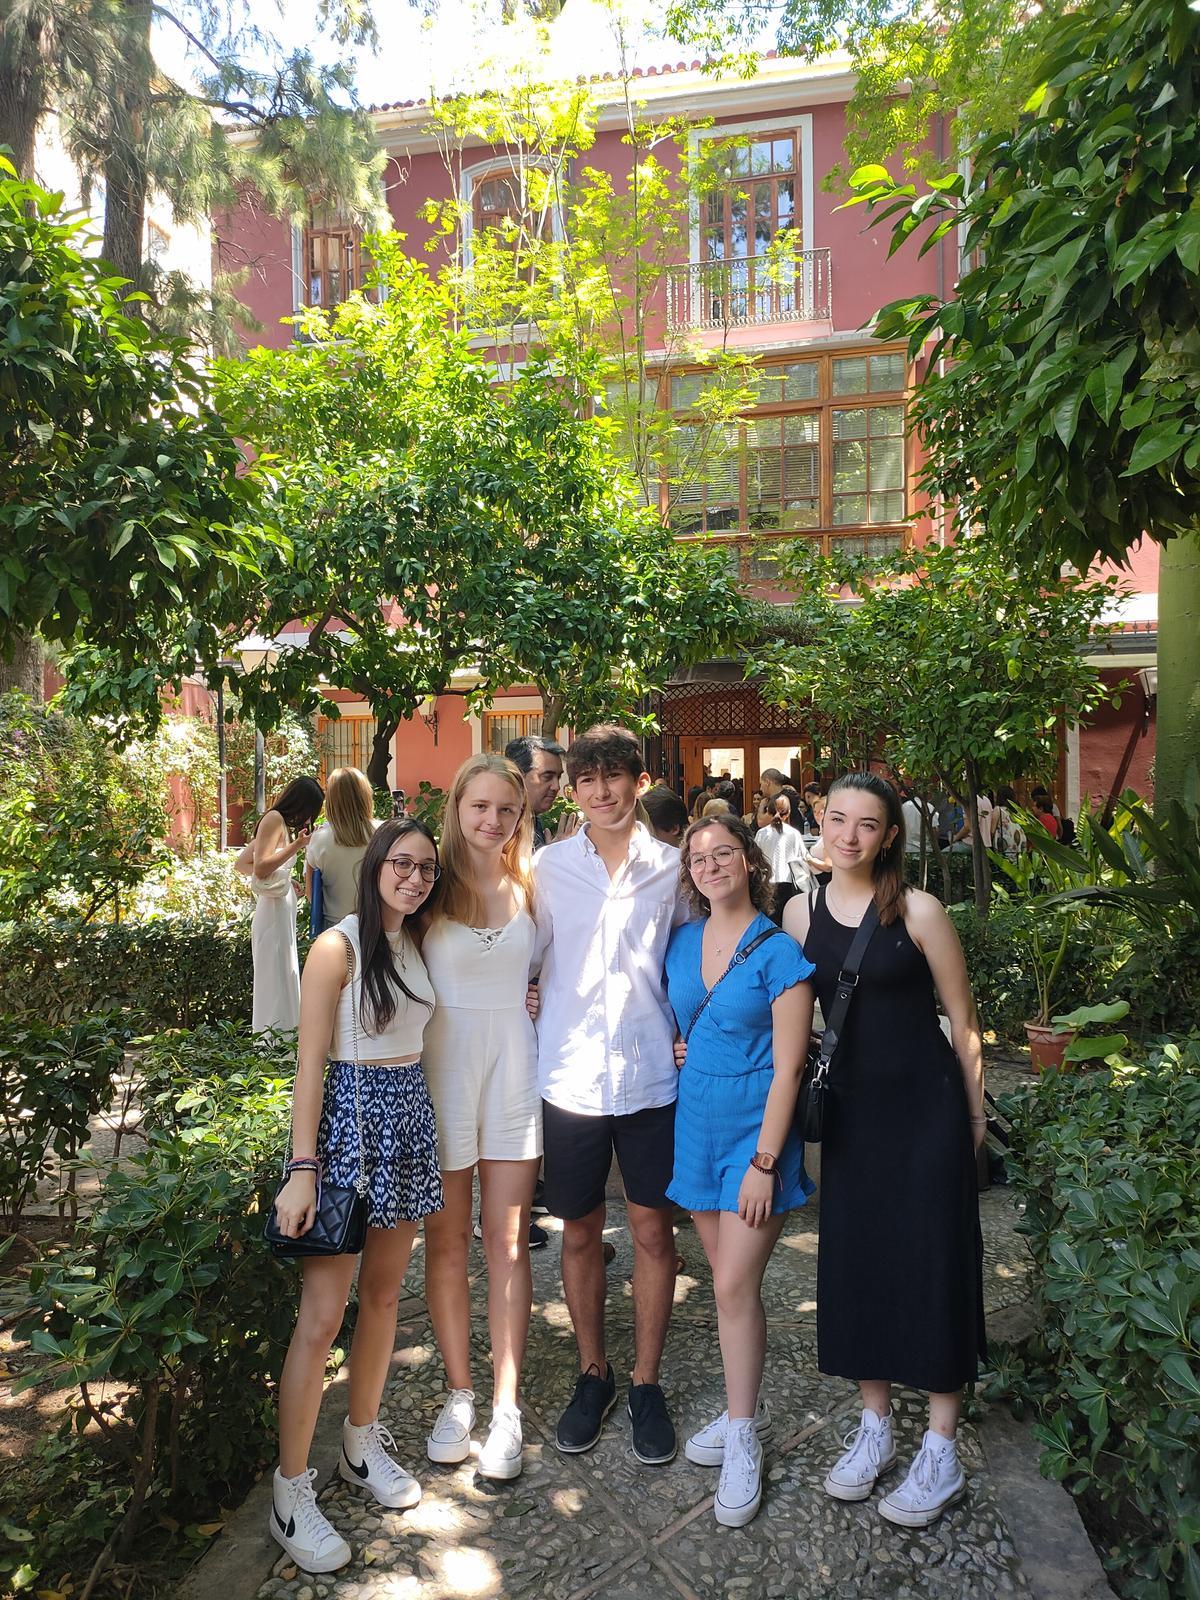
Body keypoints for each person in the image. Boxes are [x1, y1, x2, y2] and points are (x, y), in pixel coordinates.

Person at [782, 772, 986, 1529]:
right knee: (859, 1263)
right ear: (821, 821)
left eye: (867, 825)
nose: (849, 835)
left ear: (889, 835)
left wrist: (970, 1127)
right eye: (837, 819)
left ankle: (940, 1444)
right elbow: (790, 1017)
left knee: (933, 1263)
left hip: (927, 1116)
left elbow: (964, 1025)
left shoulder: (920, 911)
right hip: (853, 1121)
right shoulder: (799, 912)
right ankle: (874, 1424)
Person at [268, 820, 444, 1573]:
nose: (412, 877)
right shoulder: (335, 947)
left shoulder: (417, 942)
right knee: (320, 1317)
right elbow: (310, 1064)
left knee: (381, 1302)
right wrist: (302, 1165)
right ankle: (289, 1492)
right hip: (347, 1127)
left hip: (406, 1120)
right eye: (400, 863)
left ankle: (361, 1446)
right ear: (375, 867)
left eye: (426, 869)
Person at [532, 725, 690, 1464]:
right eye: (585, 780)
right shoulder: (548, 867)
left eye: (613, 777)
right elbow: (526, 956)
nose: (600, 792)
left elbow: (693, 960)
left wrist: (700, 1029)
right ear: (573, 789)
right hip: (568, 1078)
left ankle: (647, 1381)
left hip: (653, 1076)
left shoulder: (674, 869)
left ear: (637, 778)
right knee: (580, 1231)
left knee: (656, 1233)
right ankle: (592, 1372)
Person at [665, 815, 815, 1527]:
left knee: (731, 1284)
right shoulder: (684, 941)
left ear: (749, 862)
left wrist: (765, 1162)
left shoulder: (781, 951)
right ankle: (735, 1415)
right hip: (695, 1124)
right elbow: (678, 1018)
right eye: (698, 856)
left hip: (757, 1137)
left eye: (723, 852)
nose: (710, 864)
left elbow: (792, 1066)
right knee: (729, 1295)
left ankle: (745, 1435)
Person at [419, 755, 542, 1480]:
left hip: (515, 1072)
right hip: (443, 1071)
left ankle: (507, 1406)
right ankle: (459, 1393)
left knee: (509, 1243)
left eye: (506, 808)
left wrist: (536, 996)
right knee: (446, 1245)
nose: (492, 820)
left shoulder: (533, 882)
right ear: (457, 808)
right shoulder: (427, 882)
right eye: (479, 806)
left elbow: (554, 966)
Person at [237, 775, 324, 1033]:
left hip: (279, 907)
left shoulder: (280, 823)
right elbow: (260, 868)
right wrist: (297, 845)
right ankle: (272, 1042)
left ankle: (283, 1041)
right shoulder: (274, 819)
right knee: (274, 979)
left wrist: (286, 879)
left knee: (284, 974)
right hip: (272, 911)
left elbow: (244, 863)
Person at [305, 767, 379, 931]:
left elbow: (311, 894)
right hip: (377, 924)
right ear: (366, 794)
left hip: (335, 929)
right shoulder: (385, 832)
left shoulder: (319, 838)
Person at [505, 735, 567, 850]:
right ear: (517, 775)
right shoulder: (501, 827)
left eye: (558, 777)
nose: (556, 786)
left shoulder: (532, 819)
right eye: (547, 777)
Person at [755, 793, 808, 922]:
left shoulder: (762, 833)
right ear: (788, 812)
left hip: (766, 881)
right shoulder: (793, 833)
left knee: (767, 921)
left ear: (768, 811)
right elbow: (802, 858)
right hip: (787, 882)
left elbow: (756, 857)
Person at [992, 786, 1026, 860]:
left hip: (1005, 844)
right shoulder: (1017, 810)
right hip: (1019, 842)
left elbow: (992, 831)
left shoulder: (998, 810)